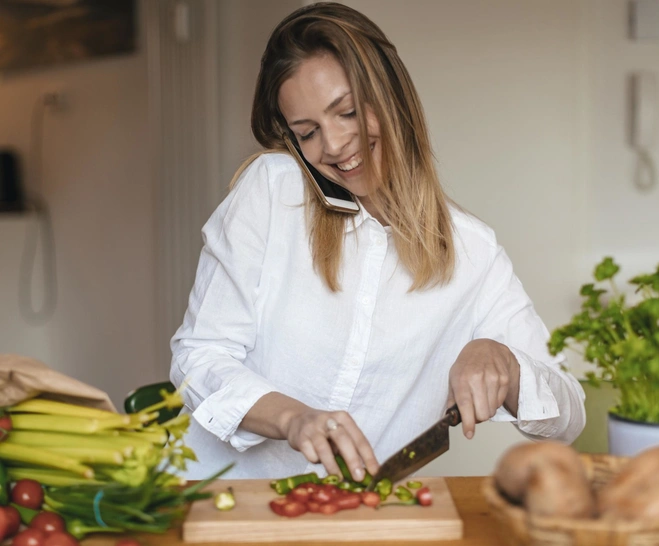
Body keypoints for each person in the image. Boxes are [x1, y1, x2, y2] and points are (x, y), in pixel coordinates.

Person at [170, 2, 586, 481]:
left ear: (392, 96)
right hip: (219, 502)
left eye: (346, 112)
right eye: (307, 132)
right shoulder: (272, 191)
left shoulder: (473, 252)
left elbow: (569, 416)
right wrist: (293, 418)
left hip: (359, 522)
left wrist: (507, 364)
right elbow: (199, 357)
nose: (334, 145)